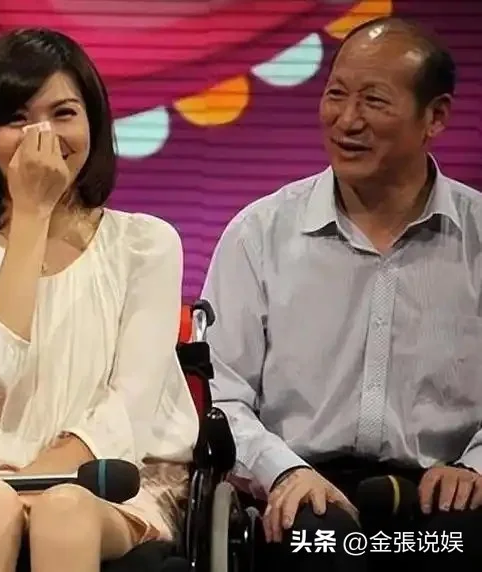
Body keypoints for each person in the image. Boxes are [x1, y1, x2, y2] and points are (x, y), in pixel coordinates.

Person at [0, 28, 199, 572]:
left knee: (64, 509)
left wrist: (35, 479)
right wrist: (31, 216)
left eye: (64, 114)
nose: (42, 136)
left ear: (94, 124)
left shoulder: (147, 244)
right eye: (18, 119)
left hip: (114, 483)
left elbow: (133, 400)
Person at [202, 15, 482, 572]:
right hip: (306, 496)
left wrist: (476, 467)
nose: (347, 120)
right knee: (326, 550)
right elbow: (220, 395)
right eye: (336, 95)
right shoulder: (260, 233)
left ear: (435, 117)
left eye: (374, 101)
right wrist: (283, 470)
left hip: (442, 496)